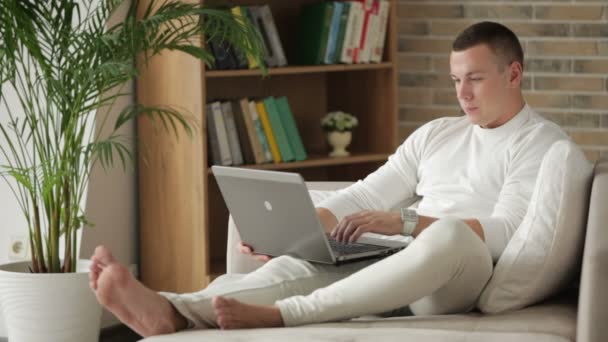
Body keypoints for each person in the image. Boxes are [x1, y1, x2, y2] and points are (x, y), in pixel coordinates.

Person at [89, 21, 569, 337]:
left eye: (476, 79)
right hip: (397, 259)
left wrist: (402, 224)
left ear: (513, 74)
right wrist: (300, 228)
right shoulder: (438, 134)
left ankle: (286, 316)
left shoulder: (539, 143)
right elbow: (365, 192)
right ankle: (171, 310)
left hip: (457, 272)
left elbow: (505, 231)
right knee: (296, 265)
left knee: (448, 232)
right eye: (455, 80)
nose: (462, 93)